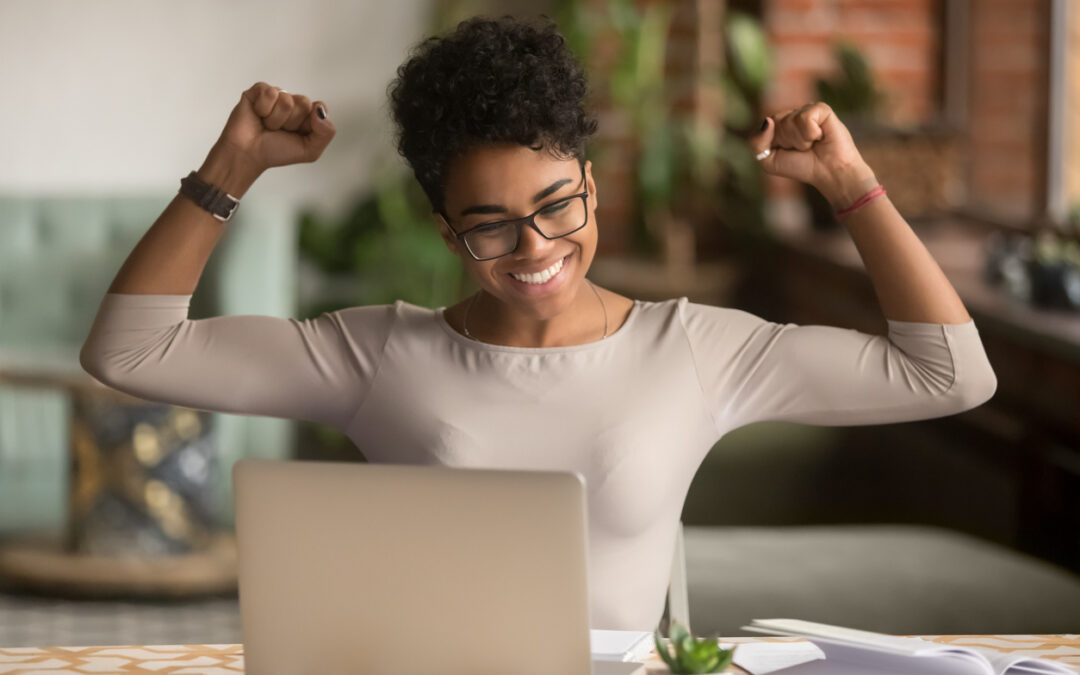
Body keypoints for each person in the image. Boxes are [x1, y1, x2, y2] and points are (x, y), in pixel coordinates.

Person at [80, 16, 997, 630]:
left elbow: (950, 375)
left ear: (592, 186)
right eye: (489, 224)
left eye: (558, 204)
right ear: (446, 230)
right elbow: (129, 349)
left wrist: (850, 185)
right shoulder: (377, 354)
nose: (534, 246)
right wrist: (230, 166)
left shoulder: (699, 350)